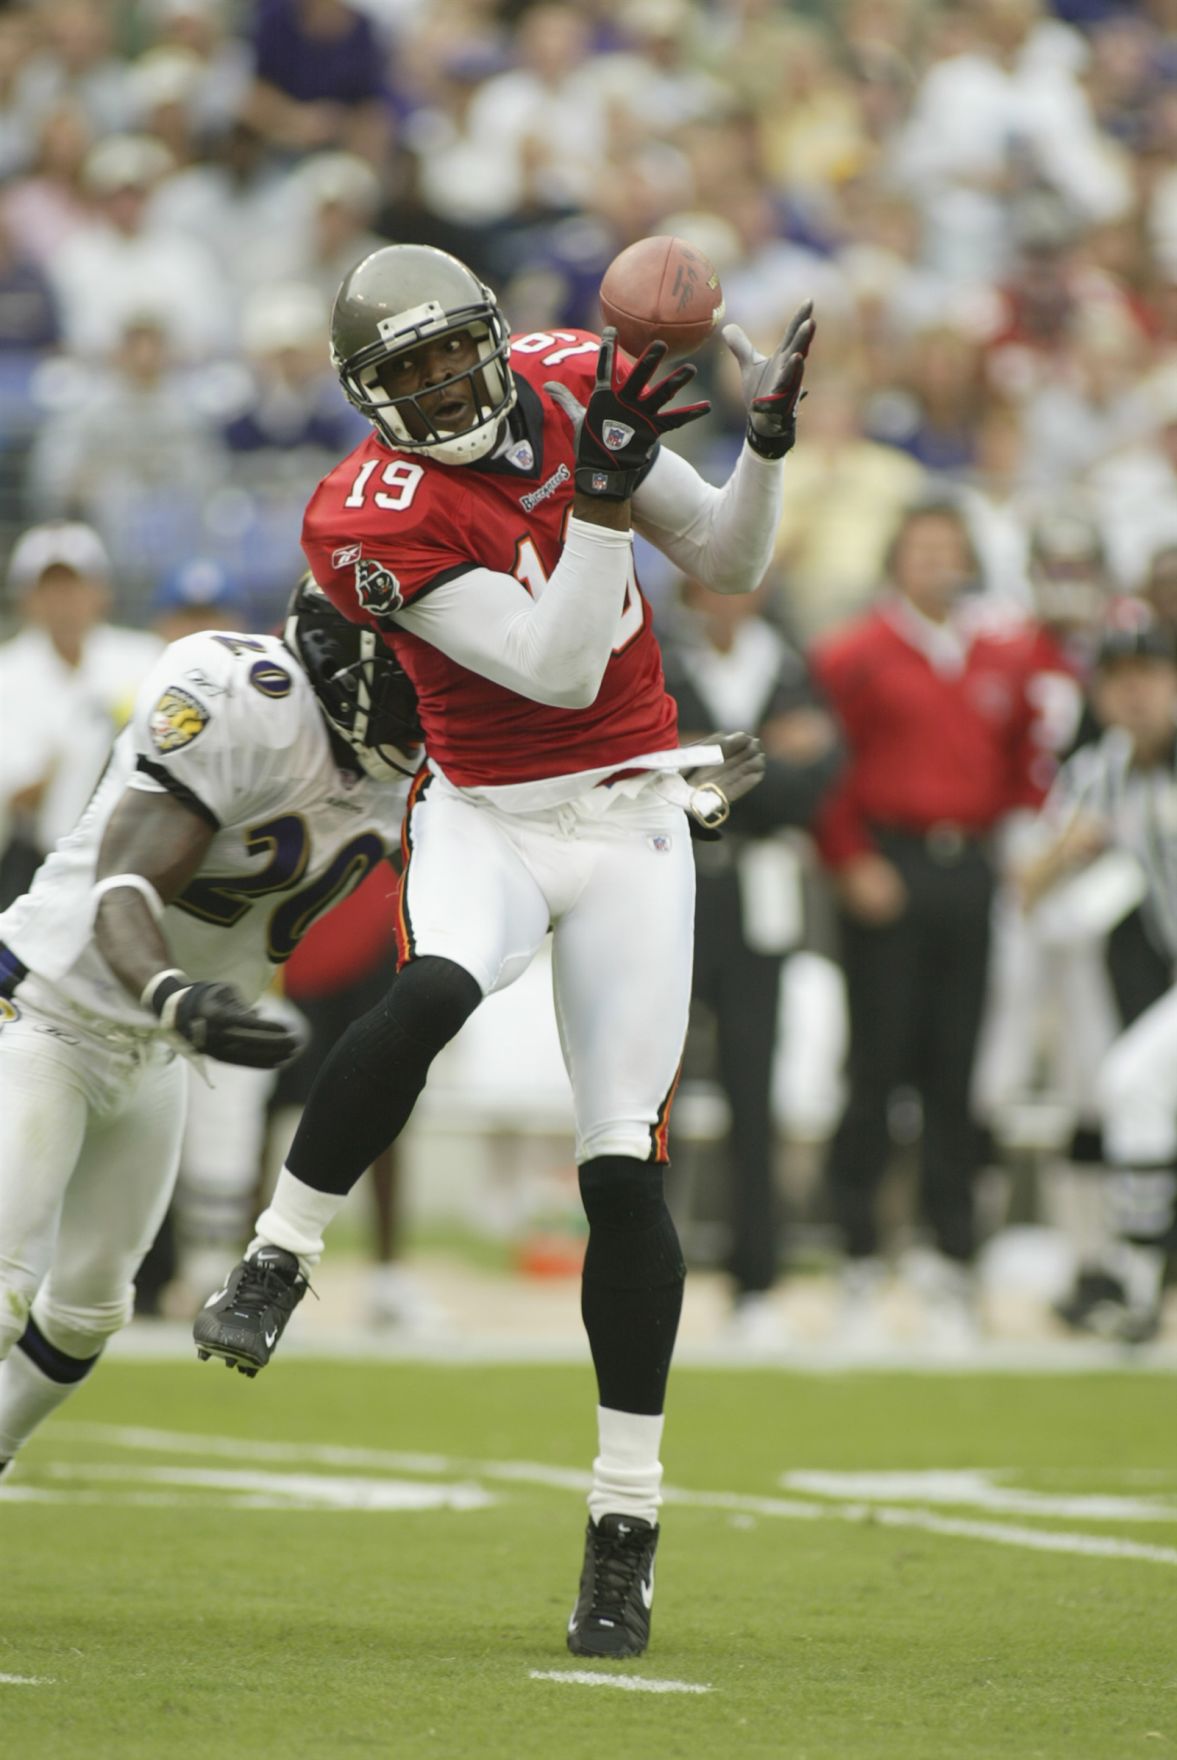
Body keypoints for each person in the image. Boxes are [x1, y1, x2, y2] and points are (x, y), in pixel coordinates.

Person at [195, 241, 814, 1660]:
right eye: (400, 373)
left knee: (622, 1167)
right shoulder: (368, 510)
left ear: (487, 332)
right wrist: (597, 501)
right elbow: (550, 665)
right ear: (364, 394)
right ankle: (282, 1251)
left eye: (445, 351)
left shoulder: (569, 378)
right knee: (428, 991)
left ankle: (623, 1525)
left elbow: (728, 555)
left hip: (635, 816)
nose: (435, 386)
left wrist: (765, 448)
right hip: (487, 808)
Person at [0, 578, 423, 1476]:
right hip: (48, 1007)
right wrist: (173, 992)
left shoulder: (410, 767)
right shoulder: (234, 693)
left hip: (154, 1046)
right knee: (4, 1287)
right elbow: (124, 887)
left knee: (88, 1311)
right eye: (404, 666)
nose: (421, 690)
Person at [811, 498, 1045, 1347]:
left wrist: (1021, 845)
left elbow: (1025, 758)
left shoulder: (1001, 655)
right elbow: (824, 762)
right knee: (876, 1068)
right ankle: (859, 1257)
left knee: (956, 1073)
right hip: (888, 867)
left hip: (968, 871)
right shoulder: (856, 654)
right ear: (894, 560)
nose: (937, 563)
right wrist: (847, 858)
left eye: (951, 549)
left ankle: (950, 1260)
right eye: (921, 549)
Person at [662, 577, 843, 1345]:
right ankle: (645, 1270)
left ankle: (755, 1281)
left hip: (759, 894)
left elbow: (811, 784)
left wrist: (708, 770)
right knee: (653, 1089)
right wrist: (756, 750)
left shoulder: (792, 666)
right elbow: (648, 771)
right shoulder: (663, 661)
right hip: (671, 888)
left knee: (752, 1086)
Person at [1019, 609, 1177, 1342]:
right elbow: (1025, 887)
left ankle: (1132, 1278)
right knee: (1131, 1089)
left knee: (1134, 1086)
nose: (1134, 693)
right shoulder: (1102, 769)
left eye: (1148, 674)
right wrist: (1066, 854)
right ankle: (1136, 1284)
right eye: (1117, 678)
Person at [0, 521, 161, 909]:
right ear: (27, 597)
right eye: (49, 588)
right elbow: (19, 796)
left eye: (74, 585)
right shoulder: (6, 673)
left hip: (142, 857)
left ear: (101, 592)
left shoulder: (146, 657)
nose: (63, 599)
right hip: (37, 870)